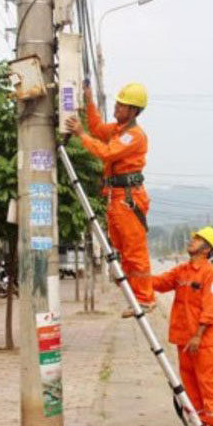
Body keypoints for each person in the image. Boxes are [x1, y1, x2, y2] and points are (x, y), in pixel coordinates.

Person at [65, 83, 154, 318]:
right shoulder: (118, 130)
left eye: (121, 105)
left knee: (134, 251)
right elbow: (96, 128)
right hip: (116, 197)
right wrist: (89, 101)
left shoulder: (134, 135)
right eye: (117, 103)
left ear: (133, 110)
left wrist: (80, 135)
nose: (116, 107)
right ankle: (135, 296)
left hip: (128, 198)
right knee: (123, 249)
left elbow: (106, 153)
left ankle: (145, 298)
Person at [151, 226, 213, 426]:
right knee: (190, 385)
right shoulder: (182, 271)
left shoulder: (212, 276)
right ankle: (198, 424)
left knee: (208, 384)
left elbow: (210, 310)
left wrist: (198, 336)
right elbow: (160, 283)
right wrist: (134, 276)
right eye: (194, 238)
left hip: (203, 342)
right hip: (183, 339)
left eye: (197, 239)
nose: (192, 241)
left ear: (207, 249)